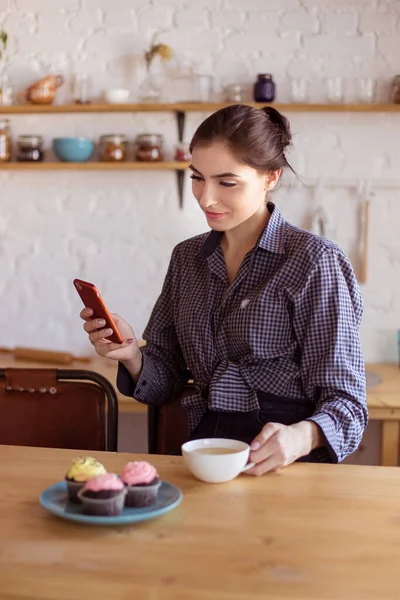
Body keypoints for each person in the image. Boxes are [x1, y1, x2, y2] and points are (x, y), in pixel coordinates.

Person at [80, 104, 367, 475]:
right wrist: (131, 354)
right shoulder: (186, 259)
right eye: (197, 177)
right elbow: (165, 377)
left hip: (290, 462)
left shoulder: (314, 262)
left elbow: (348, 405)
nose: (205, 198)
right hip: (203, 451)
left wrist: (300, 437)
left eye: (226, 182)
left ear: (271, 177)